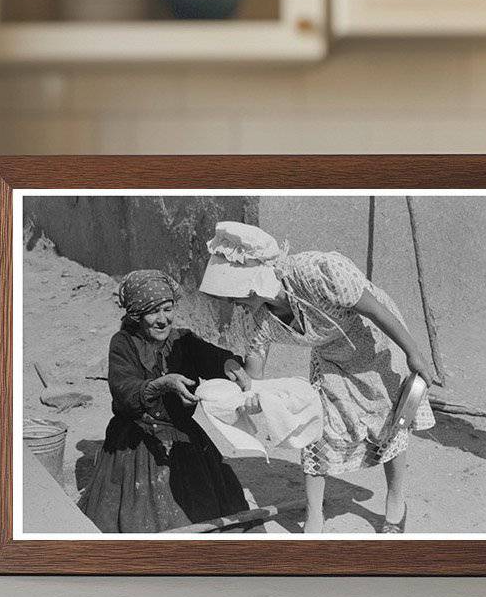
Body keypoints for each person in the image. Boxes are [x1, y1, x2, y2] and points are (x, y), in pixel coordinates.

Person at [199, 221, 436, 534]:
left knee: (391, 422)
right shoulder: (253, 317)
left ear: (255, 279)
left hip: (374, 340)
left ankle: (395, 503)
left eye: (234, 294)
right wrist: (242, 393)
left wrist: (414, 353)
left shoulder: (316, 272)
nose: (233, 303)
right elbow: (254, 377)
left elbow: (376, 311)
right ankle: (314, 518)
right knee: (317, 427)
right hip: (329, 355)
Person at [78, 269, 250, 533]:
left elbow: (210, 356)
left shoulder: (183, 340)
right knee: (144, 515)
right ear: (136, 316)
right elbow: (124, 392)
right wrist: (160, 384)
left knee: (206, 505)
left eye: (168, 309)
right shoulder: (123, 343)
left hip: (181, 436)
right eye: (152, 312)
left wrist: (226, 363)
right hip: (137, 440)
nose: (162, 320)